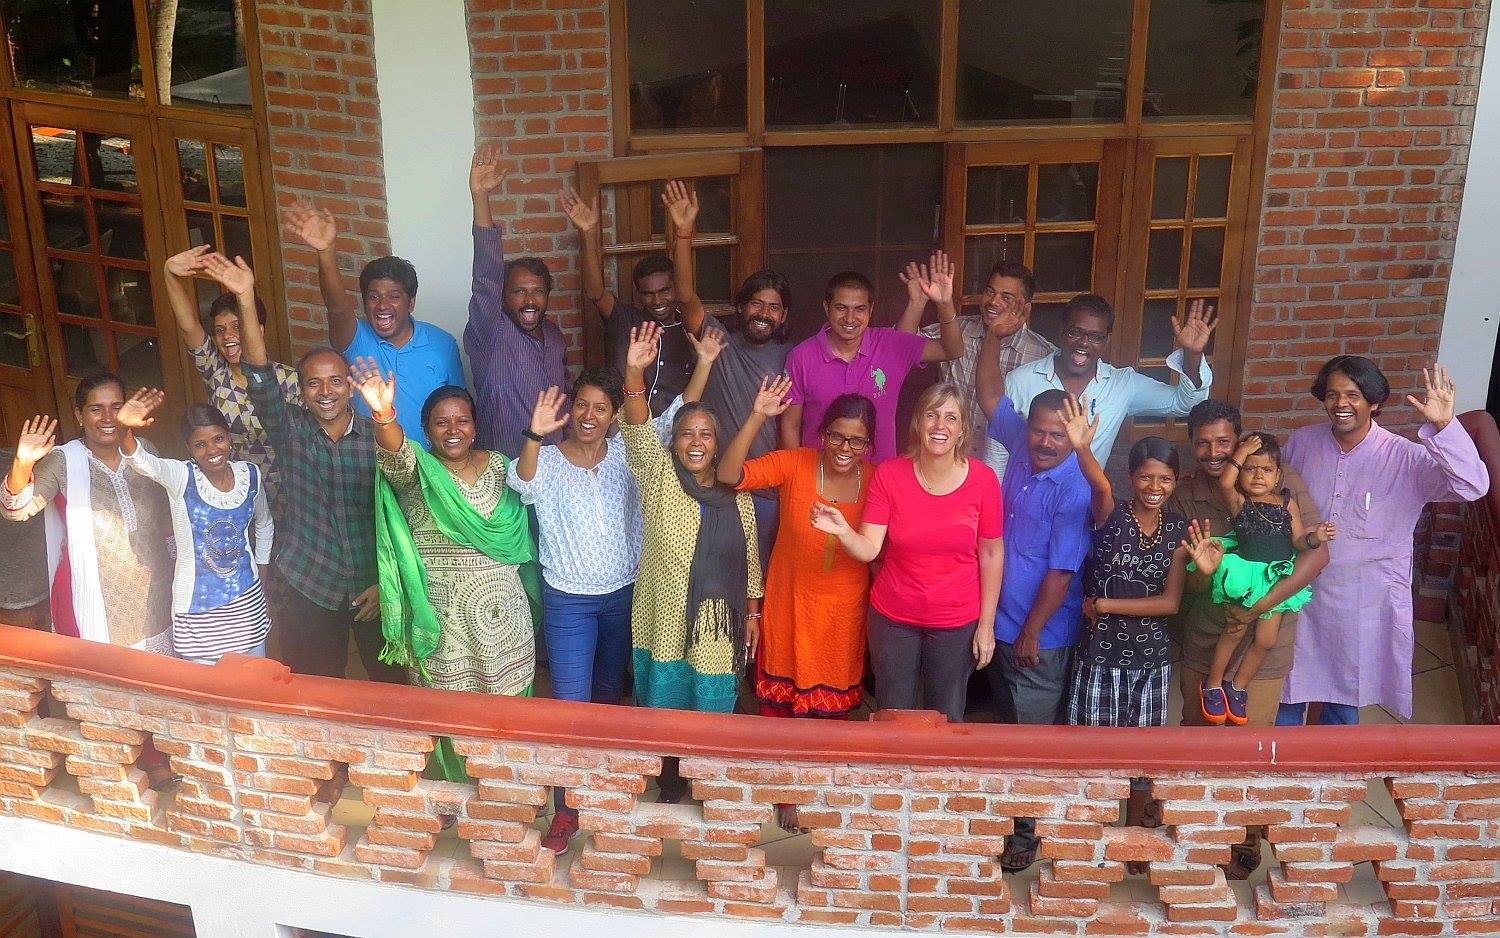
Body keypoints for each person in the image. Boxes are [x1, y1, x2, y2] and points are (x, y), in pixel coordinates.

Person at [1167, 398, 1328, 880]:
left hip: (1266, 639)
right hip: (1206, 637)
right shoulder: (1185, 494)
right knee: (1198, 734)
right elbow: (1186, 576)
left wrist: (1259, 605)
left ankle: (1244, 840)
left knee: (1253, 744)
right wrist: (1208, 571)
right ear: (1192, 445)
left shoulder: (1281, 482)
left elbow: (1315, 556)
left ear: (1240, 441)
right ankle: (1194, 833)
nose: (1214, 452)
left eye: (1224, 441)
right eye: (1203, 443)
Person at [1280, 358, 1489, 725]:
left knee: (1343, 701)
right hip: (1297, 592)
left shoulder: (1405, 457)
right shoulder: (1303, 442)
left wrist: (1444, 426)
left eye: (1353, 395)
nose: (1341, 404)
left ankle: (1333, 763)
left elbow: (1473, 486)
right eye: (1332, 395)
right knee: (1285, 692)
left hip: (1361, 603)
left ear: (1374, 402)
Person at [1060, 396, 1218, 869]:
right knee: (1093, 753)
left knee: (1142, 756)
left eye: (1165, 479)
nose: (1155, 487)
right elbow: (1098, 483)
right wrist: (1082, 448)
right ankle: (1091, 838)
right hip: (1101, 656)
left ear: (1176, 481)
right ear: (1133, 478)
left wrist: (1106, 604)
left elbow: (1170, 603)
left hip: (1151, 660)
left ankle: (1131, 841)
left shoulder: (1179, 531)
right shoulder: (1111, 514)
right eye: (1146, 477)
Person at [224, 252, 398, 682]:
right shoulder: (291, 430)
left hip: (374, 585)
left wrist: (388, 582)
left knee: (392, 689)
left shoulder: (378, 437)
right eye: (313, 383)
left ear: (350, 387)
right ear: (300, 391)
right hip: (309, 580)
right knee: (314, 690)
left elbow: (404, 510)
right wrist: (246, 298)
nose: (325, 392)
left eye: (336, 381)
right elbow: (259, 376)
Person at [621, 323, 762, 801]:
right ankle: (670, 779)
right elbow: (637, 429)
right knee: (666, 703)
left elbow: (750, 557)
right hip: (663, 612)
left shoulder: (734, 492)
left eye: (705, 434)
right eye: (686, 434)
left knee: (710, 700)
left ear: (718, 443)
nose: (696, 442)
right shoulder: (657, 472)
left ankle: (709, 780)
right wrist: (634, 373)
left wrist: (754, 614)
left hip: (715, 620)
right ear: (674, 441)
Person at [813, 382, 1002, 726]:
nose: (940, 425)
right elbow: (870, 547)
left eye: (951, 418)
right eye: (932, 415)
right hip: (893, 618)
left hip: (955, 621)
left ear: (962, 429)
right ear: (918, 422)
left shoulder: (984, 480)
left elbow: (991, 554)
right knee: (892, 717)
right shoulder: (890, 474)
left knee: (947, 718)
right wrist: (843, 531)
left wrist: (986, 626)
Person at [980, 387, 1092, 874]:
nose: (1046, 442)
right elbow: (989, 395)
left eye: (1058, 435)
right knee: (1008, 733)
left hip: (1038, 639)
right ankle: (1012, 820)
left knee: (1031, 742)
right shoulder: (1023, 455)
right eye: (1039, 431)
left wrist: (1031, 632)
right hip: (1000, 624)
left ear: (1075, 436)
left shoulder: (1075, 488)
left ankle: (1026, 833)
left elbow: (1062, 572)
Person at [720, 380, 874, 717]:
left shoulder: (877, 481)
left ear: (868, 444)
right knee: (779, 726)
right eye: (836, 436)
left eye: (857, 440)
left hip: (842, 619)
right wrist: (757, 416)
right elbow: (729, 475)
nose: (845, 448)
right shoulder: (794, 463)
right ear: (822, 434)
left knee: (830, 730)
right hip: (789, 609)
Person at [1, 376, 172, 652]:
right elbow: (16, 509)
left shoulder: (145, 452)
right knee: (105, 673)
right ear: (79, 416)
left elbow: (165, 514)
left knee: (161, 672)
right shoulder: (63, 462)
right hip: (95, 598)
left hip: (157, 589)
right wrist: (23, 462)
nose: (108, 418)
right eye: (96, 409)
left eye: (116, 407)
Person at [281, 199, 464, 451]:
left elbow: (459, 408)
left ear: (411, 303)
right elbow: (337, 307)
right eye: (373, 296)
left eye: (394, 296)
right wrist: (326, 253)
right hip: (368, 463)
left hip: (429, 465)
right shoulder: (356, 338)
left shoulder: (442, 344)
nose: (382, 305)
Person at [117, 393, 274, 665]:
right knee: (208, 690)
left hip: (248, 607)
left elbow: (264, 524)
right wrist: (124, 428)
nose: (212, 450)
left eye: (218, 439)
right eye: (200, 444)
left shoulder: (250, 475)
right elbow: (141, 460)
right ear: (189, 448)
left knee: (254, 684)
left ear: (229, 438)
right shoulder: (181, 476)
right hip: (199, 615)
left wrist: (262, 575)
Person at [1201, 432, 1336, 725]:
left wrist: (1315, 538)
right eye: (1250, 468)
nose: (1258, 475)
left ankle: (1237, 686)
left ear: (1277, 476)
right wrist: (1242, 451)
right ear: (1240, 473)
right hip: (1246, 576)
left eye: (1266, 470)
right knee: (1235, 629)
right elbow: (1225, 482)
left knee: (1266, 640)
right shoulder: (1240, 502)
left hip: (1275, 577)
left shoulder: (1287, 504)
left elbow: (1298, 540)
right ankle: (1212, 684)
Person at [987, 295, 1215, 463]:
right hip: (1026, 501)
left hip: (1086, 507)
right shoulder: (1021, 380)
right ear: (1062, 331)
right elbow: (998, 450)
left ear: (1106, 341)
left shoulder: (1122, 384)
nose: (1084, 343)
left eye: (1095, 337)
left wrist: (1192, 355)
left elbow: (1186, 404)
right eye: (1076, 332)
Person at [782, 258, 965, 463]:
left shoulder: (889, 345)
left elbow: (952, 350)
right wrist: (796, 474)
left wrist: (944, 304)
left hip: (878, 476)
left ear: (871, 310)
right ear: (826, 307)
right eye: (841, 308)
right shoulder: (801, 357)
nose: (849, 318)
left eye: (859, 309)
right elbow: (791, 426)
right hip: (820, 476)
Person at [161, 245, 301, 499]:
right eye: (220, 330)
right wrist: (169, 272)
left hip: (284, 497)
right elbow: (189, 326)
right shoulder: (216, 371)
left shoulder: (289, 381)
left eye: (237, 326)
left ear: (260, 329)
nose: (228, 336)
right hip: (230, 495)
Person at [563, 179, 699, 417]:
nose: (657, 300)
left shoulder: (689, 325)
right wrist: (588, 234)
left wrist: (683, 234)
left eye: (664, 291)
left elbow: (687, 296)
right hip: (624, 427)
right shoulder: (626, 319)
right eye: (648, 294)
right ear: (638, 295)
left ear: (675, 288)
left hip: (675, 429)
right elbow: (595, 292)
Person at [466, 143, 569, 457]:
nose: (529, 300)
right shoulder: (490, 332)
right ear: (502, 296)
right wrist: (480, 197)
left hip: (554, 468)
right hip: (504, 469)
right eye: (519, 291)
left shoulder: (554, 337)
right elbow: (486, 277)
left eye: (537, 291)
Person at [906, 259, 1053, 476]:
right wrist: (917, 302)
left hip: (1003, 475)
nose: (993, 301)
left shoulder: (1042, 355)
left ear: (1025, 307)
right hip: (947, 466)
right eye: (990, 292)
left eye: (1006, 297)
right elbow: (904, 346)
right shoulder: (958, 330)